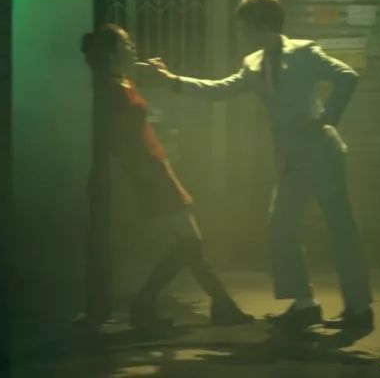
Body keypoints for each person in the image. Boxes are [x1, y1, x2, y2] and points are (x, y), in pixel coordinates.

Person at [147, 0, 373, 333]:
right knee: (281, 226)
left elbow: (347, 76)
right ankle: (305, 305)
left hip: (322, 154)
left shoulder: (305, 51)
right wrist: (174, 82)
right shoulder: (252, 63)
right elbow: (220, 90)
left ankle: (359, 308)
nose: (243, 33)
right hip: (290, 159)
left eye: (246, 27)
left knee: (341, 228)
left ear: (262, 24)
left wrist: (327, 119)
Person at [80, 24, 253, 330]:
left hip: (156, 166)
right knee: (191, 241)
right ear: (110, 53)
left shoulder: (122, 82)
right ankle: (204, 304)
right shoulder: (110, 90)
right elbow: (115, 140)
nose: (133, 46)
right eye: (126, 43)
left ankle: (158, 304)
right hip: (147, 171)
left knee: (189, 242)